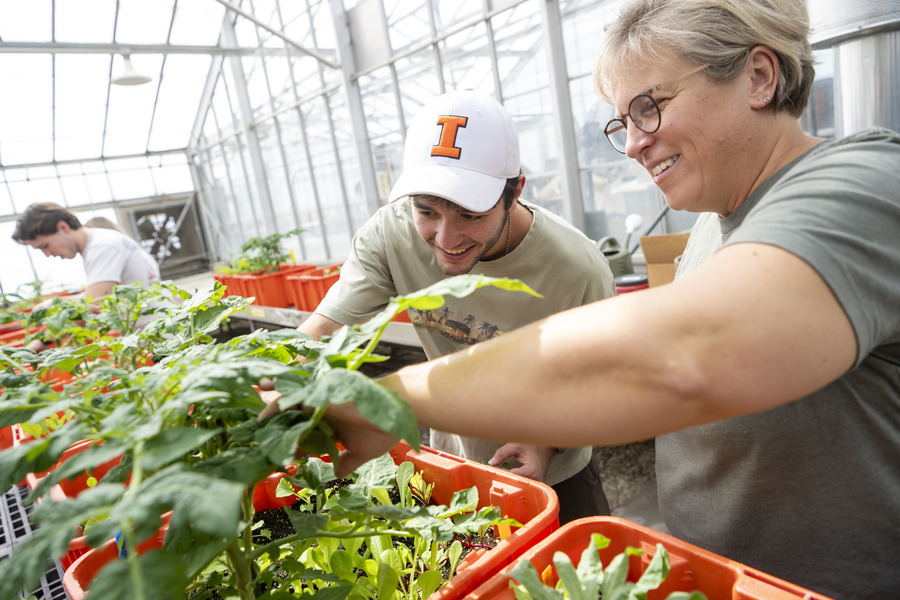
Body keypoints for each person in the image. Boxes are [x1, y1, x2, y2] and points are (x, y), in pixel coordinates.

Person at [304, 1, 900, 598]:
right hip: (728, 577)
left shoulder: (864, 185)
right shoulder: (718, 223)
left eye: (650, 107)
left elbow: (682, 357)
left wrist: (391, 404)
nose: (636, 143)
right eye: (623, 123)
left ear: (759, 76)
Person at [289, 89, 617, 523]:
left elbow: (602, 382)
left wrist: (547, 441)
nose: (446, 239)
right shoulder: (390, 236)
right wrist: (262, 383)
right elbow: (319, 334)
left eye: (471, 215)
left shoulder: (577, 269)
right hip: (456, 463)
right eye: (427, 211)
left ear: (514, 191)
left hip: (554, 477)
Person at [11, 203, 161, 350]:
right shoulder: (98, 244)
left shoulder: (102, 246)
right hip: (151, 336)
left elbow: (93, 305)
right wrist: (53, 310)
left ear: (63, 227)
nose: (47, 254)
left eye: (45, 245)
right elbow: (91, 303)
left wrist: (42, 337)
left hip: (159, 340)